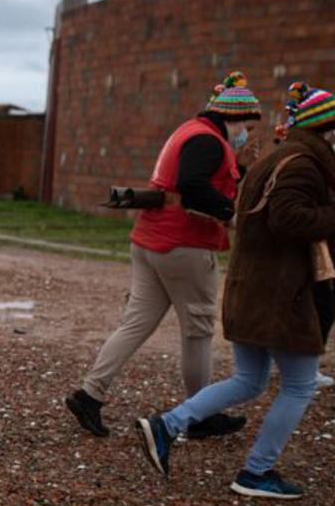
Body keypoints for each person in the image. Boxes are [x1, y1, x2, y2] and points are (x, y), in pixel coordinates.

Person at [136, 82, 335, 500]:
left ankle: (167, 425)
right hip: (281, 293)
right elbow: (289, 219)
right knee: (298, 385)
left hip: (253, 287)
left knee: (250, 378)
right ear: (327, 130)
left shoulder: (279, 158)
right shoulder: (303, 164)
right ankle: (255, 472)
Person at [66, 71, 260, 439]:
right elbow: (192, 186)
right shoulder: (209, 142)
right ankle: (198, 414)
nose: (246, 134)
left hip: (150, 239)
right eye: (247, 125)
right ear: (232, 118)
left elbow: (195, 180)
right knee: (198, 331)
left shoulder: (189, 131)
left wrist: (243, 167)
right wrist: (230, 215)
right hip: (184, 243)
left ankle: (90, 393)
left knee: (136, 323)